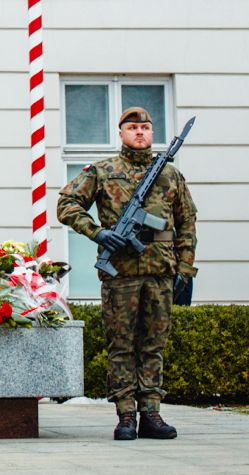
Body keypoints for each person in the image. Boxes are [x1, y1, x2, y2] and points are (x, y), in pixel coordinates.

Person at [57, 106, 198, 442]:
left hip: (160, 271)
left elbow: (187, 222)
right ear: (120, 133)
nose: (140, 133)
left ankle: (151, 412)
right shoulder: (103, 171)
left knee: (154, 344)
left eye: (146, 127)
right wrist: (98, 233)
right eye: (133, 127)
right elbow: (66, 204)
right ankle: (125, 415)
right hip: (120, 272)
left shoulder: (171, 175)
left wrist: (185, 267)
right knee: (121, 345)